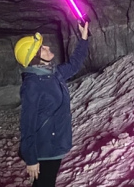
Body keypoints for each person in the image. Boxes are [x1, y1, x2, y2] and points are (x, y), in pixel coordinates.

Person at [14, 21, 89, 187]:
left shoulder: (53, 74)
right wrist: (31, 159)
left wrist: (83, 38)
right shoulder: (32, 84)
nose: (47, 47)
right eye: (42, 48)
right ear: (35, 58)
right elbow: (27, 122)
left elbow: (74, 64)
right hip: (44, 148)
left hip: (54, 144)